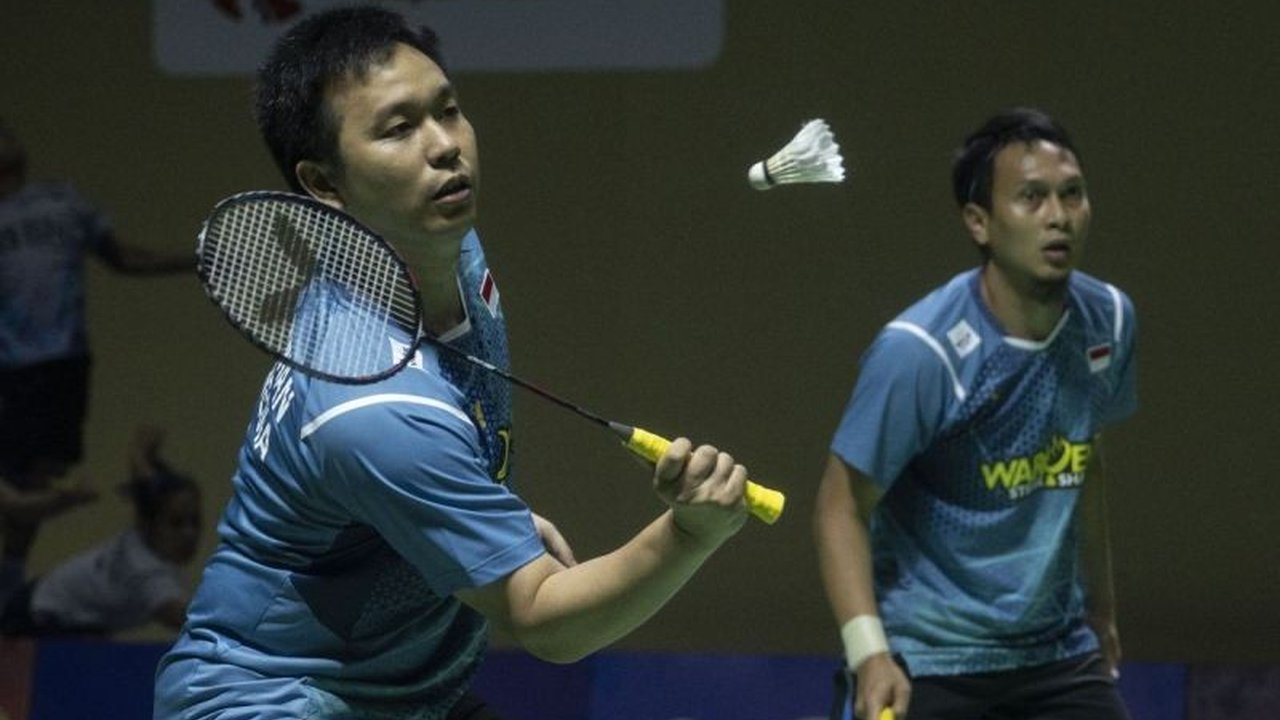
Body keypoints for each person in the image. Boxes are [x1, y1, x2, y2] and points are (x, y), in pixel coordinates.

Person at [153, 7, 750, 719]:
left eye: (448, 110)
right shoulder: (372, 406)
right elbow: (544, 621)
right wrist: (689, 534)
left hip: (399, 692)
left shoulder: (449, 252)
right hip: (273, 700)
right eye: (398, 129)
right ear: (323, 184)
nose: (445, 146)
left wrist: (480, 512)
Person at [814, 107, 1137, 720]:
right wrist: (870, 655)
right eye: (1032, 198)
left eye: (1072, 194)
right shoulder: (922, 352)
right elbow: (839, 506)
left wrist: (1102, 610)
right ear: (979, 222)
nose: (1058, 216)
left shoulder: (1109, 323)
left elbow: (1085, 467)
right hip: (930, 656)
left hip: (1056, 655)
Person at [0, 119, 191, 597]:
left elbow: (124, 257)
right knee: (21, 488)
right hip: (10, 367)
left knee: (34, 477)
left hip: (61, 366)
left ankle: (8, 595)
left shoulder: (63, 202)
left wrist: (192, 261)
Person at [0, 426, 200, 636]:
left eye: (195, 522)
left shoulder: (141, 541)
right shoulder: (146, 571)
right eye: (176, 523)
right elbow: (179, 617)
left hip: (47, 606)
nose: (189, 533)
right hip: (37, 619)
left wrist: (140, 456)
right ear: (147, 524)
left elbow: (148, 492)